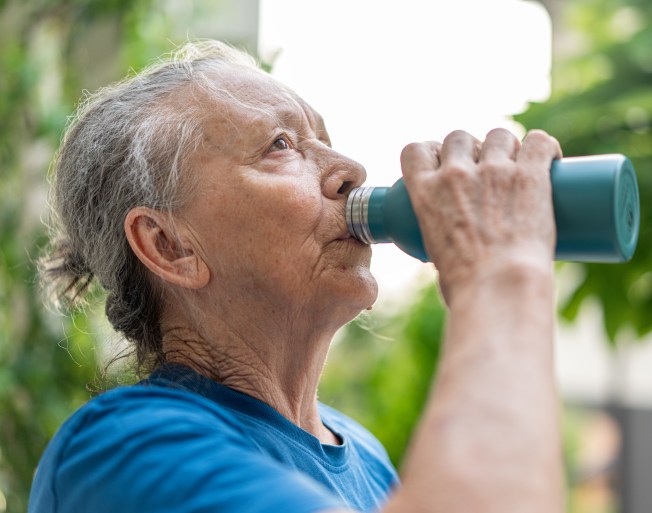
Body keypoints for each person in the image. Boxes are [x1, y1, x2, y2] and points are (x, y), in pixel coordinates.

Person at [29, 40, 564, 513]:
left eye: (325, 140)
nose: (351, 169)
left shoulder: (365, 456)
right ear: (170, 246)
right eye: (280, 145)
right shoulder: (126, 449)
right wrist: (500, 274)